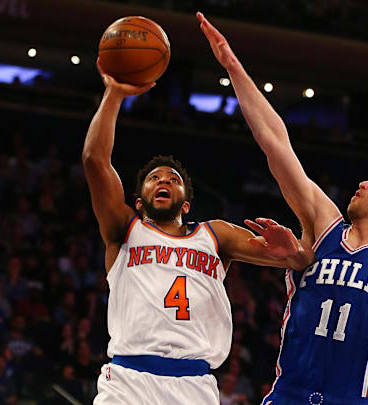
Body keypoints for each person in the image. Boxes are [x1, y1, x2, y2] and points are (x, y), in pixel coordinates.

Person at [197, 12, 368, 405]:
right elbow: (275, 142)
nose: (364, 183)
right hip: (288, 396)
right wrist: (232, 64)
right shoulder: (324, 225)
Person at [84, 59, 313, 404]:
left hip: (193, 385)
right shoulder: (124, 229)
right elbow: (94, 160)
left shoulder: (216, 236)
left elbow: (301, 261)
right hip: (128, 381)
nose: (163, 181)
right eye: (154, 179)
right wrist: (114, 95)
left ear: (187, 204)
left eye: (173, 180)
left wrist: (293, 252)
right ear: (140, 202)